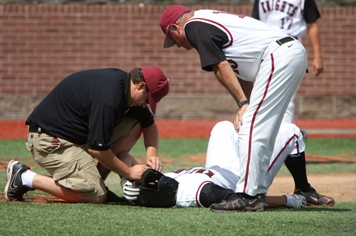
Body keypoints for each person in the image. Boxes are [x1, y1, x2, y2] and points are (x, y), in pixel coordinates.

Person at [159, 5, 308, 212]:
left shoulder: (194, 26)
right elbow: (241, 72)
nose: (176, 45)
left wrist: (243, 104)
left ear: (176, 27)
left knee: (252, 126)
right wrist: (247, 103)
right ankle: (282, 191)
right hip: (285, 53)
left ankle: (248, 196)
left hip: (280, 55)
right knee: (257, 125)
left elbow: (220, 66)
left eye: (172, 38)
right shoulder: (205, 21)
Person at [4, 66, 169, 203]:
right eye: (147, 100)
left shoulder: (123, 86)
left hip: (73, 137)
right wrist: (128, 172)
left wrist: (151, 155)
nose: (144, 105)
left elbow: (149, 125)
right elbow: (98, 149)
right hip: (50, 140)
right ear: (140, 86)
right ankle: (23, 177)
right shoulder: (109, 98)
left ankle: (95, 181)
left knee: (137, 123)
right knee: (96, 196)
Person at [121, 121, 334, 210]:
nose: (153, 177)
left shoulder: (164, 186)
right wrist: (288, 200)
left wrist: (129, 176)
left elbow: (125, 158)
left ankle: (253, 139)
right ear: (158, 191)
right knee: (293, 133)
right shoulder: (200, 193)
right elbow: (246, 200)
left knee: (223, 126)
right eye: (150, 182)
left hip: (219, 167)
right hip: (244, 175)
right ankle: (303, 190)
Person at [252, 0, 324, 133]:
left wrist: (318, 56)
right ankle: (290, 134)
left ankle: (287, 139)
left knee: (286, 97)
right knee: (263, 96)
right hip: (266, 46)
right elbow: (254, 23)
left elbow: (312, 25)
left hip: (290, 46)